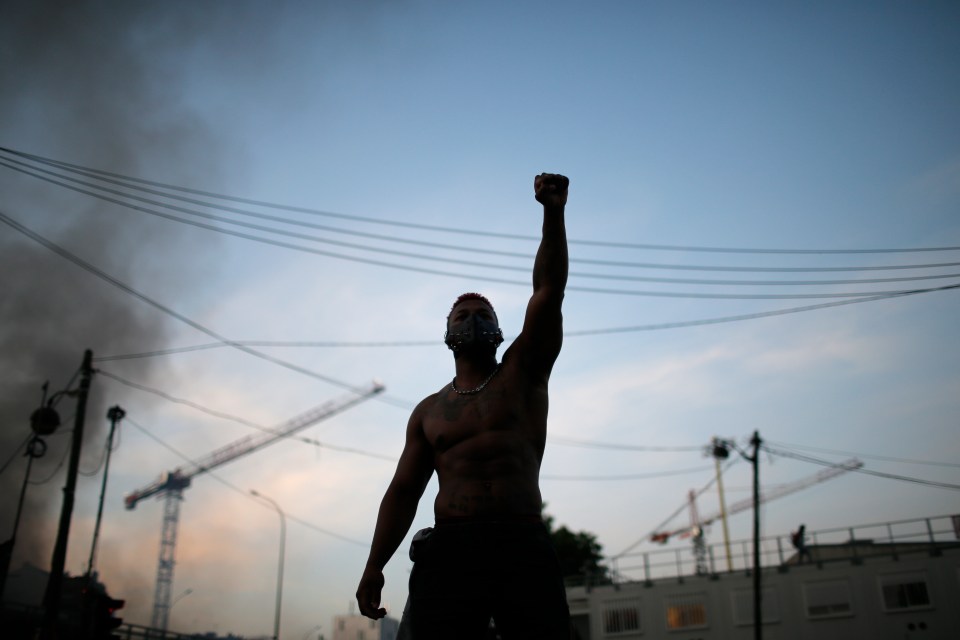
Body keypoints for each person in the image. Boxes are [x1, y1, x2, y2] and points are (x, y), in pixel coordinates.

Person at [356, 173, 571, 639]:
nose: (473, 319)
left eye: (484, 315)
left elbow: (548, 291)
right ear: (447, 334)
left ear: (499, 330)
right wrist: (375, 564)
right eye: (462, 315)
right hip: (451, 548)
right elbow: (403, 490)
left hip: (522, 541)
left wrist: (553, 213)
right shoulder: (429, 411)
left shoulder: (523, 372)